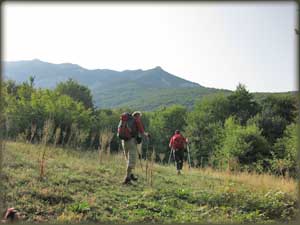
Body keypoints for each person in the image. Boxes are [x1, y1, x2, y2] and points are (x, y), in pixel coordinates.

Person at [122, 111, 149, 185]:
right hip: (132, 142)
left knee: (128, 159)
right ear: (138, 115)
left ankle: (130, 175)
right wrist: (146, 135)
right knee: (132, 160)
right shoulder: (137, 120)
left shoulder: (125, 121)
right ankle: (127, 178)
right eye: (140, 116)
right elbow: (142, 132)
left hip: (124, 141)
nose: (140, 117)